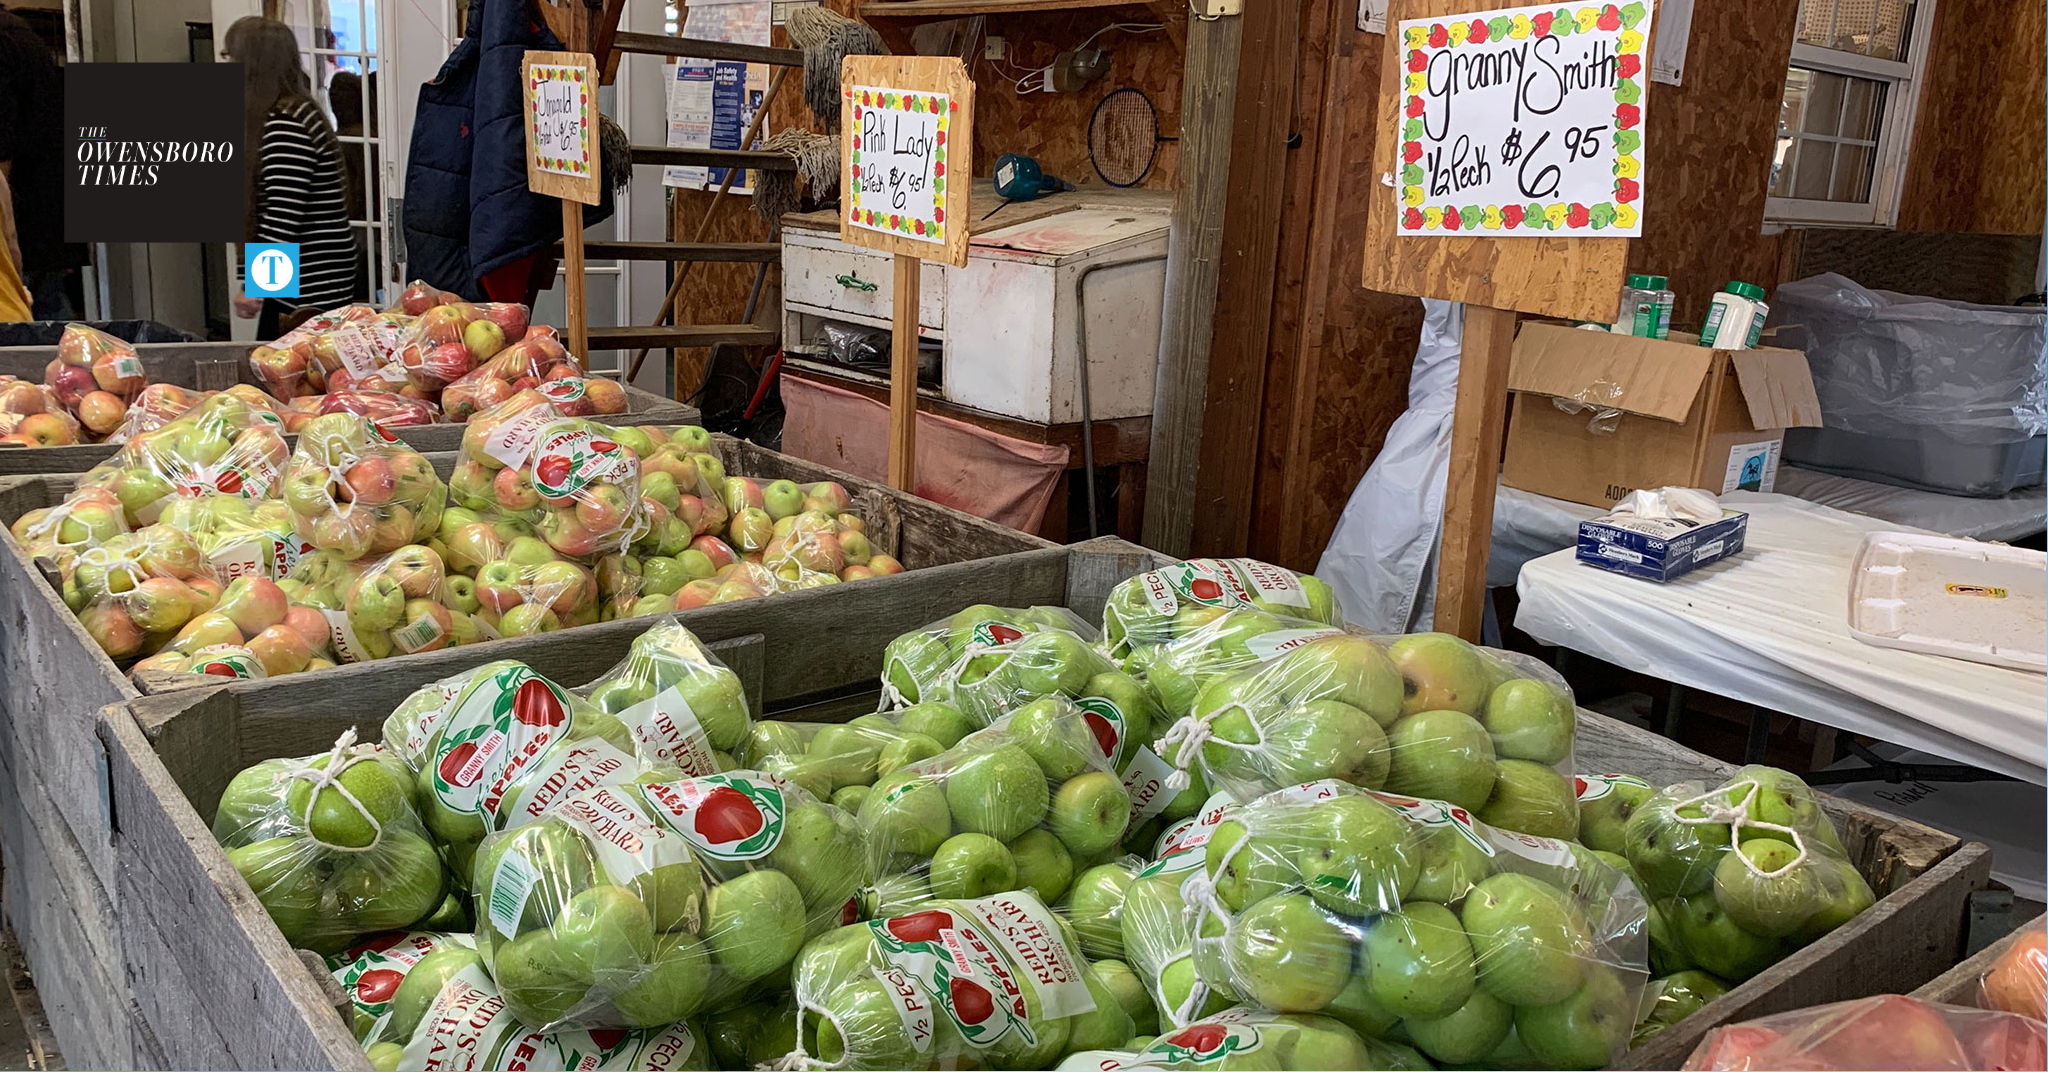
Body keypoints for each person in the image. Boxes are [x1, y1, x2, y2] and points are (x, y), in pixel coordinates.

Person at [224, 16, 360, 338]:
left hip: (310, 292)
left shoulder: (286, 122)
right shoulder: (292, 113)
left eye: (229, 56)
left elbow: (282, 217)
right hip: (304, 284)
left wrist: (256, 287)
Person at [0, 3, 88, 319]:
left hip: (29, 221)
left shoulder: (5, 38)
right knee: (49, 317)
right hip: (43, 218)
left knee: (39, 324)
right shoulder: (19, 34)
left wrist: (250, 288)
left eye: (228, 55)